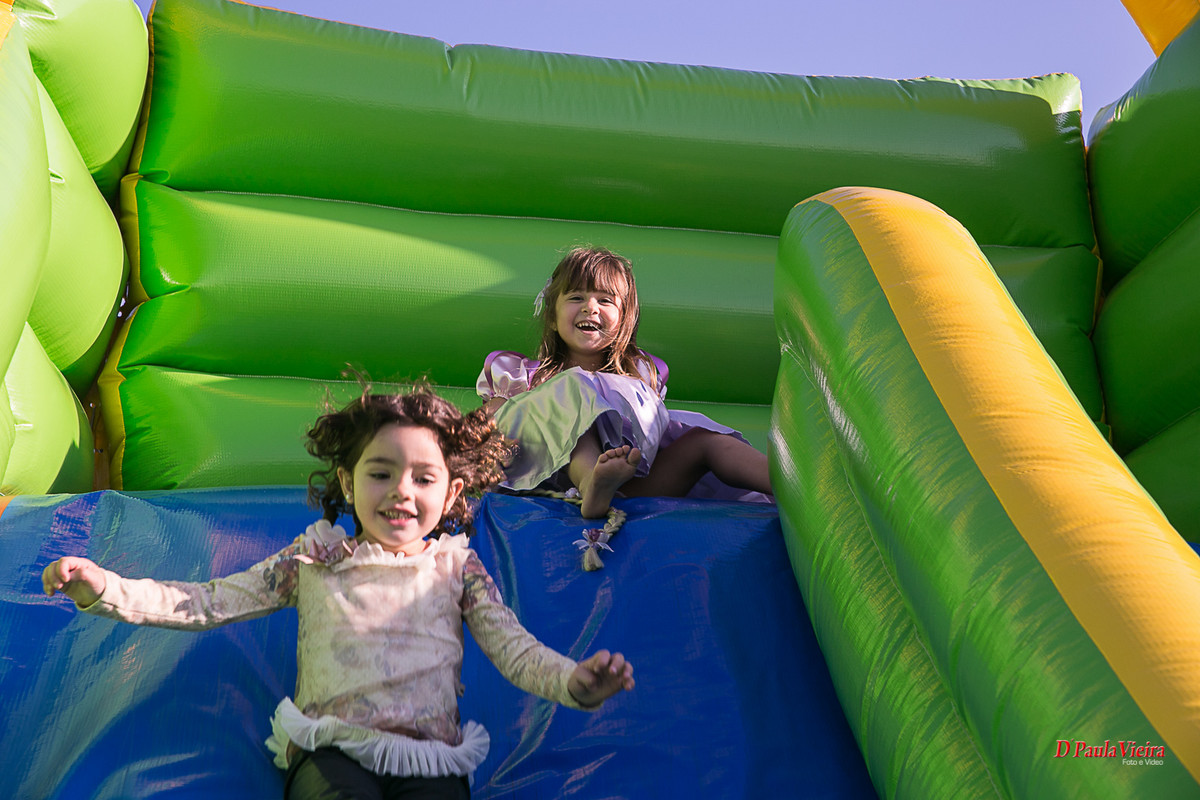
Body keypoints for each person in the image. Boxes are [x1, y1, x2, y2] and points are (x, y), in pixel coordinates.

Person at [42, 386, 634, 800]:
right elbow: (208, 601)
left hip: (430, 759)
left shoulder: (457, 568)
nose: (401, 491)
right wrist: (104, 587)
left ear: (453, 494)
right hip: (333, 750)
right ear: (348, 482)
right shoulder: (317, 558)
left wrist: (573, 683)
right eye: (380, 473)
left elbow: (515, 650)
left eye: (424, 478)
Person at [477, 246, 773, 519]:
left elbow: (652, 439)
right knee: (572, 393)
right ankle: (591, 482)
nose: (590, 307)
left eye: (605, 300)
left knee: (707, 440)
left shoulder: (638, 376)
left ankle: (789, 486)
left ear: (624, 321)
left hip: (628, 490)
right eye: (576, 298)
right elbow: (490, 422)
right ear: (552, 317)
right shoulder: (520, 375)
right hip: (545, 487)